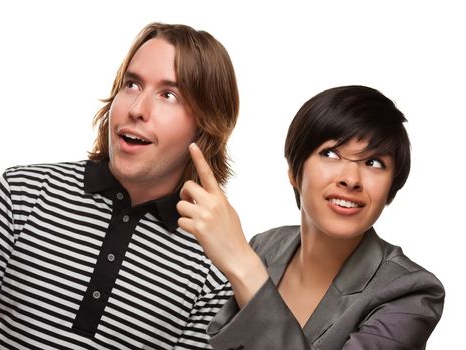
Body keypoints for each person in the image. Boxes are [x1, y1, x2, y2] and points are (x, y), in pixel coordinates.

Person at [0, 22, 239, 349]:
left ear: (205, 126)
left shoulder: (212, 271)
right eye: (131, 84)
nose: (136, 109)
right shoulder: (19, 196)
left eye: (168, 95)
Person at [177, 85, 445, 349]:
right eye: (330, 154)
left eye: (373, 163)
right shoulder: (265, 246)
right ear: (294, 171)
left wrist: (244, 268)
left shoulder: (410, 293)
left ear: (391, 188)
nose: (351, 179)